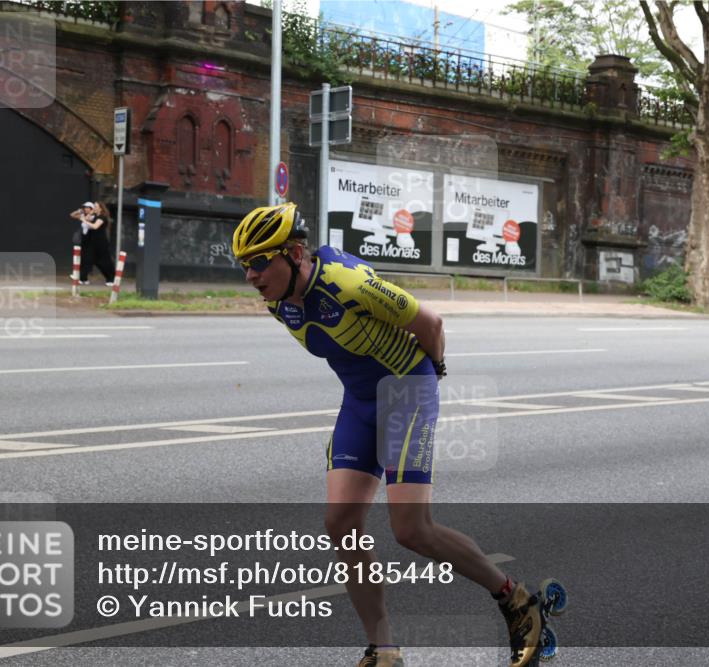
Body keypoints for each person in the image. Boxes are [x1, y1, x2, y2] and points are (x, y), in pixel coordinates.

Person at [232, 203, 548, 667]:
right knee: (341, 524)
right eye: (244, 265)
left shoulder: (348, 284)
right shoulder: (279, 302)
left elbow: (430, 325)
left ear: (295, 254)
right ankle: (383, 650)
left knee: (411, 529)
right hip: (361, 402)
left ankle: (516, 599)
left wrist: (433, 372)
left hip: (406, 392)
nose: (251, 276)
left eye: (259, 262)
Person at [79, 201, 116, 286]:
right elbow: (87, 219)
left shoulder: (102, 217)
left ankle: (111, 279)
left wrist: (84, 220)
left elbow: (95, 226)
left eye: (95, 206)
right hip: (93, 242)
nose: (94, 208)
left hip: (101, 243)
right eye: (94, 206)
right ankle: (83, 279)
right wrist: (90, 213)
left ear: (100, 208)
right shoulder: (95, 216)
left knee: (104, 261)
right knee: (87, 259)